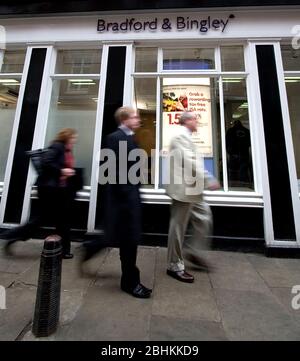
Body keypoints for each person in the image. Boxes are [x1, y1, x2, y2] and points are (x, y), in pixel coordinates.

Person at [81, 106, 152, 299]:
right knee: (129, 241)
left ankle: (92, 247)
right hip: (124, 201)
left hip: (129, 198)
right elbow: (112, 171)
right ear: (124, 119)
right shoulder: (115, 138)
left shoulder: (129, 137)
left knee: (119, 238)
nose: (138, 119)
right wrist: (128, 198)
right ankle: (131, 283)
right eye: (135, 117)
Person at [1, 128, 79, 259]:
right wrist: (62, 171)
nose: (75, 141)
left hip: (58, 191)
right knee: (43, 220)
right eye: (73, 138)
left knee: (62, 221)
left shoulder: (65, 149)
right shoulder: (57, 146)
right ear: (67, 137)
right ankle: (13, 236)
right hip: (50, 191)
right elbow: (46, 162)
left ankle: (64, 250)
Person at [165, 111, 220, 283]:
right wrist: (208, 179)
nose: (197, 122)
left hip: (193, 190)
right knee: (178, 227)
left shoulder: (187, 137)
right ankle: (174, 266)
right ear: (187, 121)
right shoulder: (179, 137)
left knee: (204, 218)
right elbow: (190, 162)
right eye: (195, 119)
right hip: (184, 190)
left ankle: (193, 252)